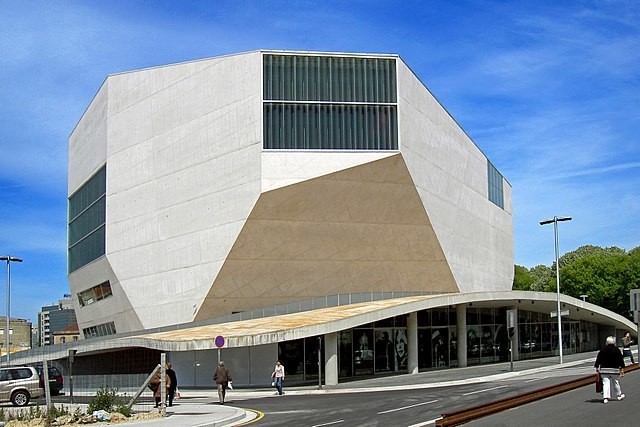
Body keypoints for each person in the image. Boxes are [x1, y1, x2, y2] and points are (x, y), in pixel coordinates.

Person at [594, 336, 625, 404]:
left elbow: (598, 359)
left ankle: (605, 398)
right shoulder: (617, 350)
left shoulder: (602, 350)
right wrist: (622, 369)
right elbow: (620, 360)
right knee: (615, 382)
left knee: (605, 383)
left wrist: (597, 367)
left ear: (607, 342)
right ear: (614, 342)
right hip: (614, 370)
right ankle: (619, 395)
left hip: (604, 370)